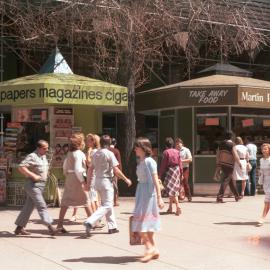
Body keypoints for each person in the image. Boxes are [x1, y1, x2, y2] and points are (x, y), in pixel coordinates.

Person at [84, 135, 132, 236]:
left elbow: (90, 169)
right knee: (107, 205)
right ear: (109, 143)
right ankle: (90, 221)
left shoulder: (96, 154)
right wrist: (125, 179)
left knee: (107, 204)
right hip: (106, 181)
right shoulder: (109, 153)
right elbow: (116, 170)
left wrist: (88, 183)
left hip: (97, 181)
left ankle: (112, 227)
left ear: (101, 143)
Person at [14, 140, 57, 236]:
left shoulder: (43, 156)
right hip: (33, 185)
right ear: (38, 148)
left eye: (47, 148)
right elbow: (21, 167)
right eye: (44, 148)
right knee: (41, 205)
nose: (47, 150)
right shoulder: (32, 156)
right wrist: (33, 175)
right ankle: (50, 227)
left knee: (28, 207)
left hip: (40, 186)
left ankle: (19, 228)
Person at [132, 137, 164, 263]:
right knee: (147, 224)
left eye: (137, 147)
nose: (134, 149)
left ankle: (149, 248)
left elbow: (156, 179)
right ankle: (154, 249)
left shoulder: (150, 161)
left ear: (143, 148)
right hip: (142, 193)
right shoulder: (141, 161)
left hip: (148, 195)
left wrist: (159, 197)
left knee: (140, 224)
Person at [56, 133, 92, 233]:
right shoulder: (79, 153)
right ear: (80, 143)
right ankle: (92, 222)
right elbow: (78, 169)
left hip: (70, 178)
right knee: (85, 200)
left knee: (65, 202)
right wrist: (82, 181)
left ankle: (59, 225)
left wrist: (67, 173)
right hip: (77, 179)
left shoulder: (69, 153)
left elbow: (65, 166)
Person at [215, 131, 241, 203]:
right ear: (231, 137)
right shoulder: (232, 144)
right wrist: (240, 163)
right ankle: (219, 197)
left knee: (230, 181)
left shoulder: (220, 144)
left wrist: (218, 164)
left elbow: (217, 154)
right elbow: (235, 155)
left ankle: (237, 196)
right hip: (229, 164)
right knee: (226, 180)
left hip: (222, 164)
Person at [159, 137, 183, 215]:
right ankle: (170, 207)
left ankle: (178, 206)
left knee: (172, 190)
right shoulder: (177, 152)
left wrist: (159, 175)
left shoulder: (166, 152)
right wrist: (181, 174)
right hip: (177, 171)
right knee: (173, 189)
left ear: (166, 145)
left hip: (170, 171)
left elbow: (163, 164)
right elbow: (180, 164)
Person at [257, 143, 270, 226]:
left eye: (265, 149)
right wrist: (260, 179)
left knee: (267, 200)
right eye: (262, 149)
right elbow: (261, 172)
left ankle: (262, 217)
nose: (264, 150)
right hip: (265, 181)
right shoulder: (261, 160)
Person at [108, 138, 122, 206]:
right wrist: (120, 172)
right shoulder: (116, 151)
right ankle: (115, 201)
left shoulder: (106, 150)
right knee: (115, 187)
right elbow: (118, 162)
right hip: (114, 171)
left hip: (107, 171)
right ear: (115, 143)